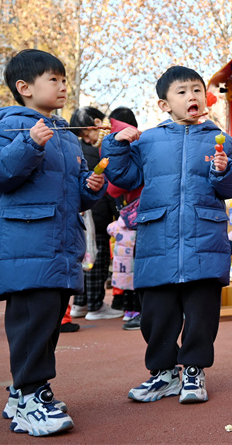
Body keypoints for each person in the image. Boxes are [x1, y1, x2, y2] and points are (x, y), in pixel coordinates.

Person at [0, 49, 106, 436]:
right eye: (54, 79)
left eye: (64, 79)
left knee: (47, 322)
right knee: (32, 323)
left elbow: (75, 196)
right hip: (24, 246)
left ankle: (22, 393)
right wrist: (29, 144)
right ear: (24, 87)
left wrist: (90, 188)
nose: (63, 86)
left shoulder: (64, 136)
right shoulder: (9, 127)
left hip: (59, 246)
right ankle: (34, 395)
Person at [103, 66, 232, 404]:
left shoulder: (219, 139)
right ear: (164, 104)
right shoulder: (147, 141)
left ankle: (193, 370)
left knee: (201, 311)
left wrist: (222, 170)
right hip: (157, 240)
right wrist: (116, 145)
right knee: (157, 313)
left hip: (203, 239)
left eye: (196, 89)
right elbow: (123, 177)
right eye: (181, 92)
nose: (191, 96)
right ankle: (163, 373)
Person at [69, 106, 123, 321]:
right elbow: (109, 189)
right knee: (96, 262)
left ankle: (80, 304)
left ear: (98, 123)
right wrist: (116, 215)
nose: (88, 139)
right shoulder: (99, 151)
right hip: (97, 214)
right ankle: (95, 306)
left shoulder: (79, 149)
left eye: (87, 134)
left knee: (85, 259)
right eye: (83, 136)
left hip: (84, 213)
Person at [105, 106, 144, 330]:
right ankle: (136, 309)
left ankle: (135, 309)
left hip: (132, 215)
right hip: (137, 215)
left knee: (131, 266)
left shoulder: (131, 144)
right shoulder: (141, 142)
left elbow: (114, 188)